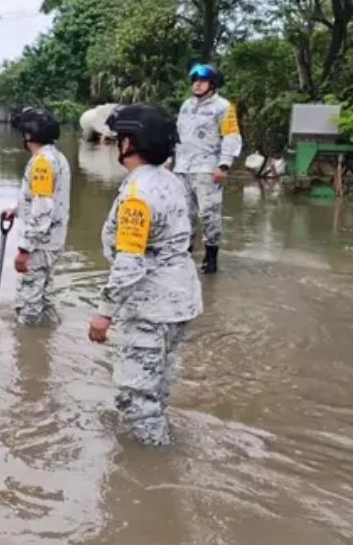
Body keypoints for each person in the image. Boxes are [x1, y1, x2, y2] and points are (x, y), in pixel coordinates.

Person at [89, 103, 203, 446]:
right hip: (180, 300)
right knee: (157, 385)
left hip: (149, 307)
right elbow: (189, 232)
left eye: (120, 138)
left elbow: (130, 262)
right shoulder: (173, 181)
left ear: (130, 143)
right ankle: (158, 444)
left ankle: (148, 462)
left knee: (136, 397)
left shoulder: (137, 194)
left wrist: (104, 313)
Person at [0, 107, 71, 325]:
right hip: (53, 241)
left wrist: (24, 249)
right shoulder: (57, 157)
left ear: (29, 134)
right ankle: (47, 336)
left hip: (39, 245)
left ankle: (28, 341)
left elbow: (42, 207)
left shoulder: (41, 162)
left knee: (28, 303)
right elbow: (45, 197)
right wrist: (16, 209)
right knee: (46, 296)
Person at [172, 62, 243, 274]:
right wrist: (168, 157)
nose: (197, 85)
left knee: (209, 214)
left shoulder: (223, 107)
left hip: (207, 169)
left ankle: (211, 258)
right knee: (183, 214)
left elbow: (231, 136)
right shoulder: (186, 105)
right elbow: (178, 135)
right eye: (194, 81)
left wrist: (224, 165)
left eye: (202, 81)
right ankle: (184, 256)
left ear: (212, 84)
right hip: (182, 168)